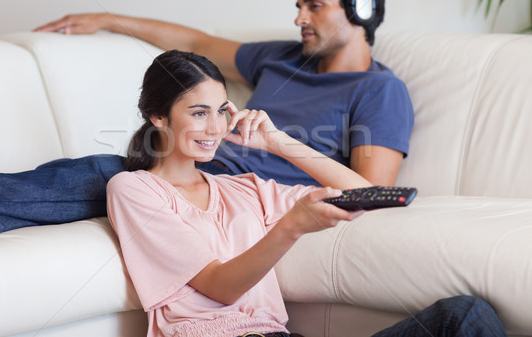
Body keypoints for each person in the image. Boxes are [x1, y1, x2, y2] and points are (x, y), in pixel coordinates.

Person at [0, 0, 413, 247]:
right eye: (300, 5)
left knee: (106, 175)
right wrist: (106, 17)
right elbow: (194, 39)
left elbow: (370, 190)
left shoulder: (379, 90)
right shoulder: (279, 56)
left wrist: (280, 145)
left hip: (240, 191)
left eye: (314, 6)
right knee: (96, 177)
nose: (298, 18)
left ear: (360, 10)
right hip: (190, 164)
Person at [106, 49, 505, 337]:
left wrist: (279, 142)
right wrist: (292, 226)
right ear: (158, 116)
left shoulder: (244, 189)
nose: (214, 128)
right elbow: (219, 285)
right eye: (198, 113)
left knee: (465, 316)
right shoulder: (135, 189)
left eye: (221, 110)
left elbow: (366, 192)